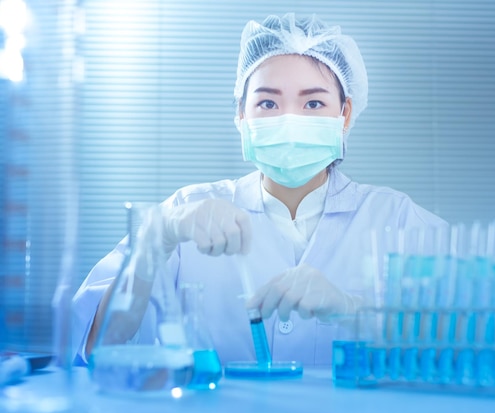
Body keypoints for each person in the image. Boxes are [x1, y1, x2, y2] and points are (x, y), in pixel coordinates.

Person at [71, 13, 446, 367]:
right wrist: (155, 242)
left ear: (344, 115)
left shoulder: (397, 220)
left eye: (313, 102)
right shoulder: (186, 212)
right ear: (241, 115)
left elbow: (475, 342)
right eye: (267, 102)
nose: (289, 120)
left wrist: (354, 312)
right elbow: (95, 346)